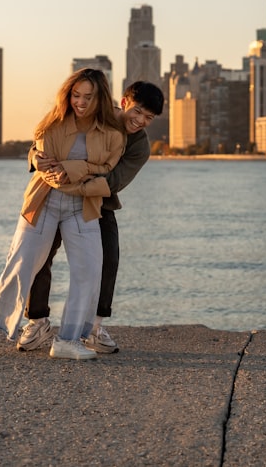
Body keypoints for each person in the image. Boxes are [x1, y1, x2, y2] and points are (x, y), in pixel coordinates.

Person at [0, 68, 125, 360]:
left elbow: (106, 168)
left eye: (88, 97)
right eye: (76, 95)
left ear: (100, 99)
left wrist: (72, 169)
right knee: (21, 265)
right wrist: (68, 170)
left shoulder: (113, 135)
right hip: (45, 200)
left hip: (83, 205)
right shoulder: (53, 123)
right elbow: (48, 168)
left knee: (90, 271)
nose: (80, 102)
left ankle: (68, 340)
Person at [16, 80, 164, 354]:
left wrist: (73, 175)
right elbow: (46, 138)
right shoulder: (92, 112)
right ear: (124, 103)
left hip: (99, 201)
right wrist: (35, 158)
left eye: (149, 118)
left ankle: (93, 328)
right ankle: (38, 322)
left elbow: (115, 181)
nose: (141, 120)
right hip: (55, 193)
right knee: (40, 255)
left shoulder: (139, 145)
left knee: (108, 259)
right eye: (138, 111)